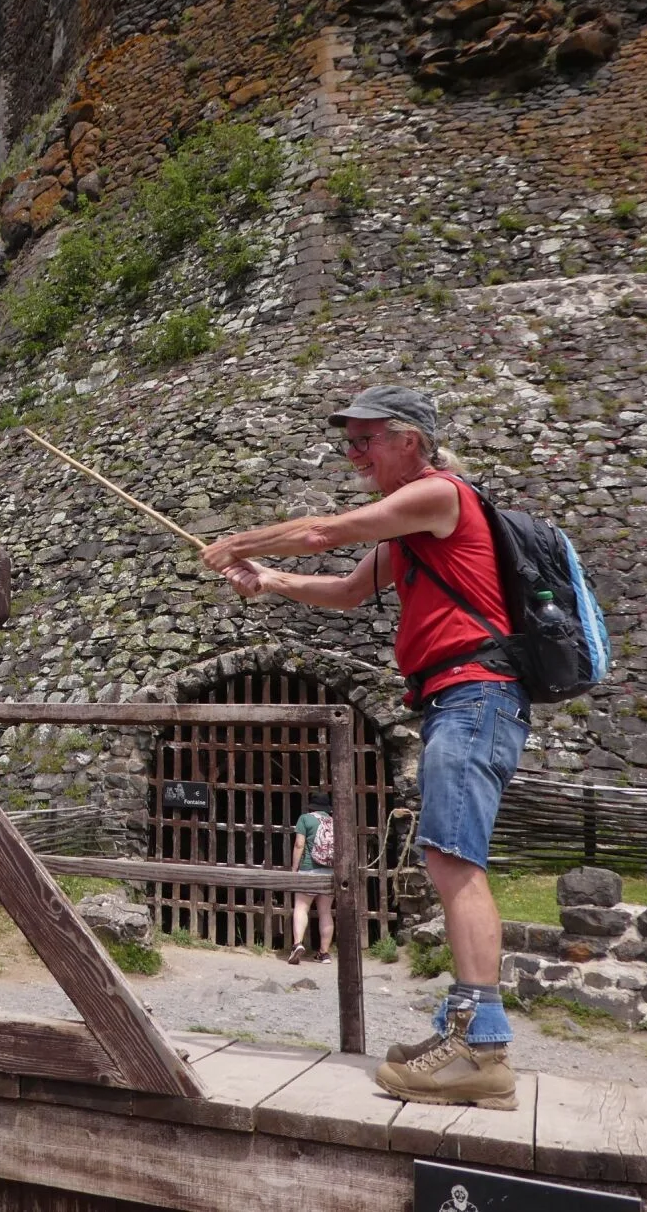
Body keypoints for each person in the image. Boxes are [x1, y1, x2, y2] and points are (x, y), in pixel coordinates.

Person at [203, 385, 527, 1110]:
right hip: (459, 696)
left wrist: (241, 541)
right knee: (448, 856)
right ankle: (464, 1026)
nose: (353, 455)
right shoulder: (411, 529)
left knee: (453, 861)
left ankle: (481, 1044)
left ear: (409, 441)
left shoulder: (439, 496)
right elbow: (350, 591)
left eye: (365, 440)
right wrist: (268, 579)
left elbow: (324, 532)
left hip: (475, 691)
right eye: (349, 442)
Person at [287, 791, 334, 966]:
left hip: (309, 869)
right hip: (330, 872)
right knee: (325, 912)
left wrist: (294, 869)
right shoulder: (333, 822)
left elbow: (299, 844)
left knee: (301, 907)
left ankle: (297, 944)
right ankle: (324, 953)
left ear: (311, 806)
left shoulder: (305, 819)